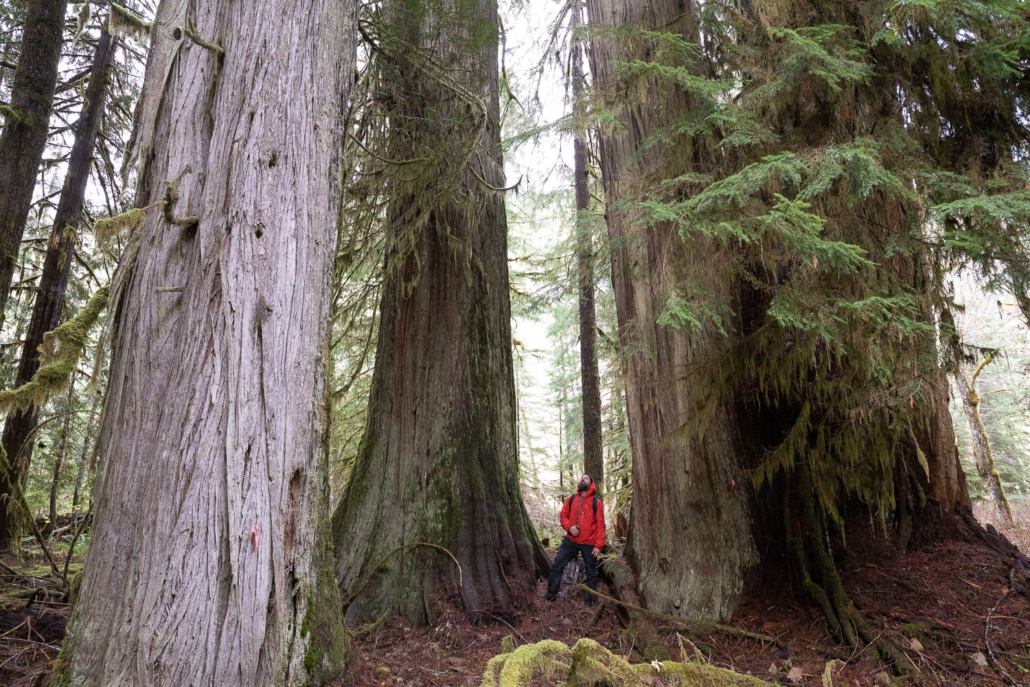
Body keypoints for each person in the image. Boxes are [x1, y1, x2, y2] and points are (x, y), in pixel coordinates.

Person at [543, 474, 605, 606]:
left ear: (591, 484)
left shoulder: (596, 503)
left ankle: (589, 602)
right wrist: (569, 527)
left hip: (589, 543)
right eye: (581, 478)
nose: (582, 479)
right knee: (558, 564)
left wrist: (599, 546)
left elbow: (601, 525)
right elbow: (563, 515)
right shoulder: (571, 499)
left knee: (591, 572)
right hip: (571, 540)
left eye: (586, 478)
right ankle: (551, 594)